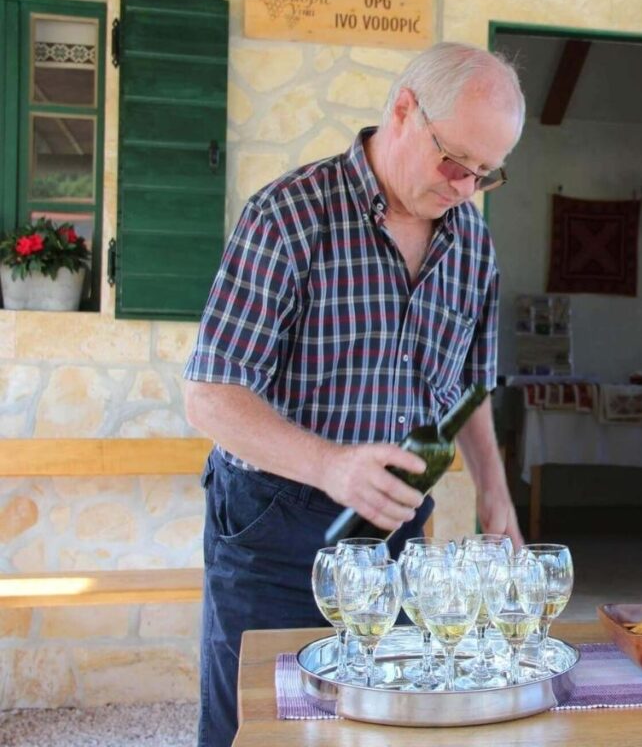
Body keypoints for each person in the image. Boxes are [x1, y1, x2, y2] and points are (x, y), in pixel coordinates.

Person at [182, 42, 526, 747]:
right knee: (259, 723)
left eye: (486, 175)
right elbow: (211, 396)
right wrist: (331, 465)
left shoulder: (473, 246)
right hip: (274, 523)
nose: (465, 187)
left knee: (384, 720)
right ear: (404, 110)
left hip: (399, 525)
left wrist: (495, 495)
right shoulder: (288, 216)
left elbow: (469, 386)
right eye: (455, 161)